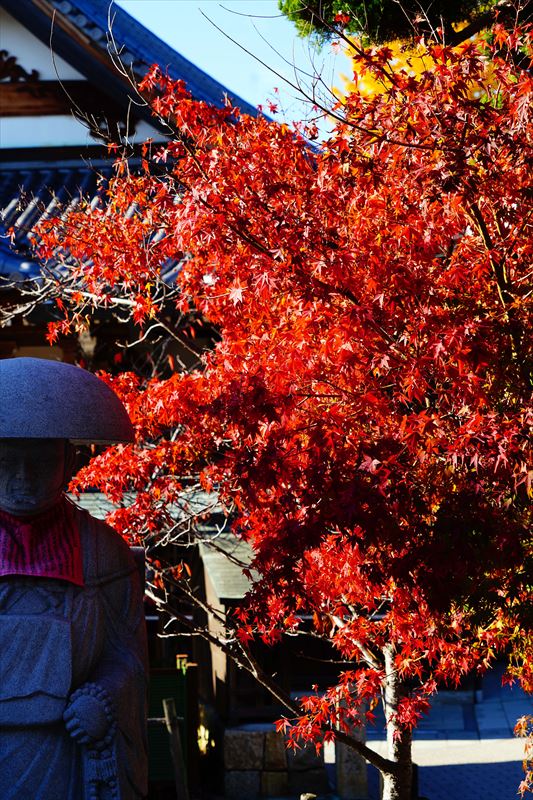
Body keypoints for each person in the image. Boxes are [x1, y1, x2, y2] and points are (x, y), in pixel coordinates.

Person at [0, 358, 148, 800]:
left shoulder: (103, 551)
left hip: (66, 748)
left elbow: (129, 657)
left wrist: (103, 697)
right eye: (7, 462)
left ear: (69, 461)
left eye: (41, 462)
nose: (23, 478)